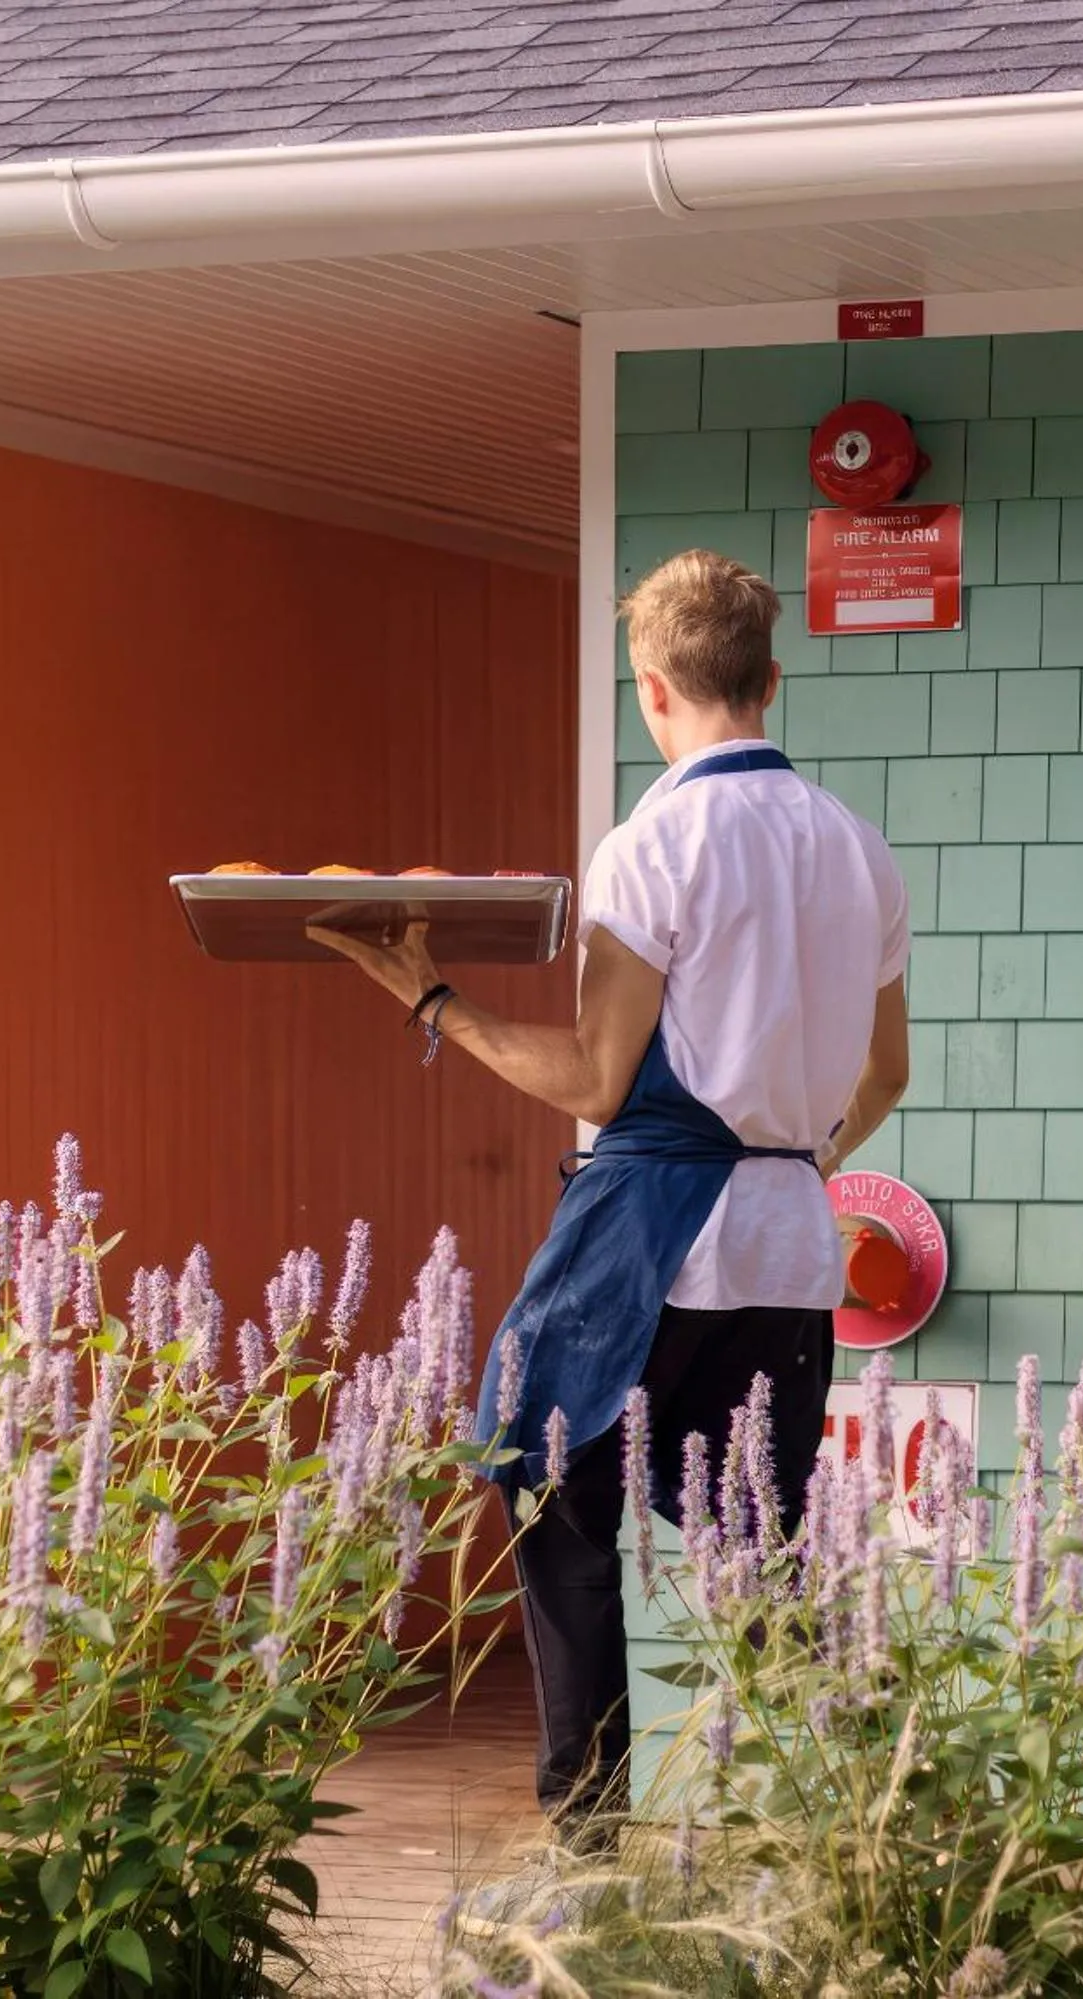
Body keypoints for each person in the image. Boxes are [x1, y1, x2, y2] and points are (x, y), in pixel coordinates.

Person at [312, 547, 911, 1842]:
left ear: (652, 689)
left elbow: (592, 1074)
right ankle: (838, 1826)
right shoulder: (859, 850)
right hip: (787, 1240)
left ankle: (584, 1834)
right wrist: (791, 1152)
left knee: (540, 1467)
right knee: (764, 1539)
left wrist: (430, 998)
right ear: (768, 678)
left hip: (654, 1227)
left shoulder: (654, 844)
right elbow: (888, 1070)